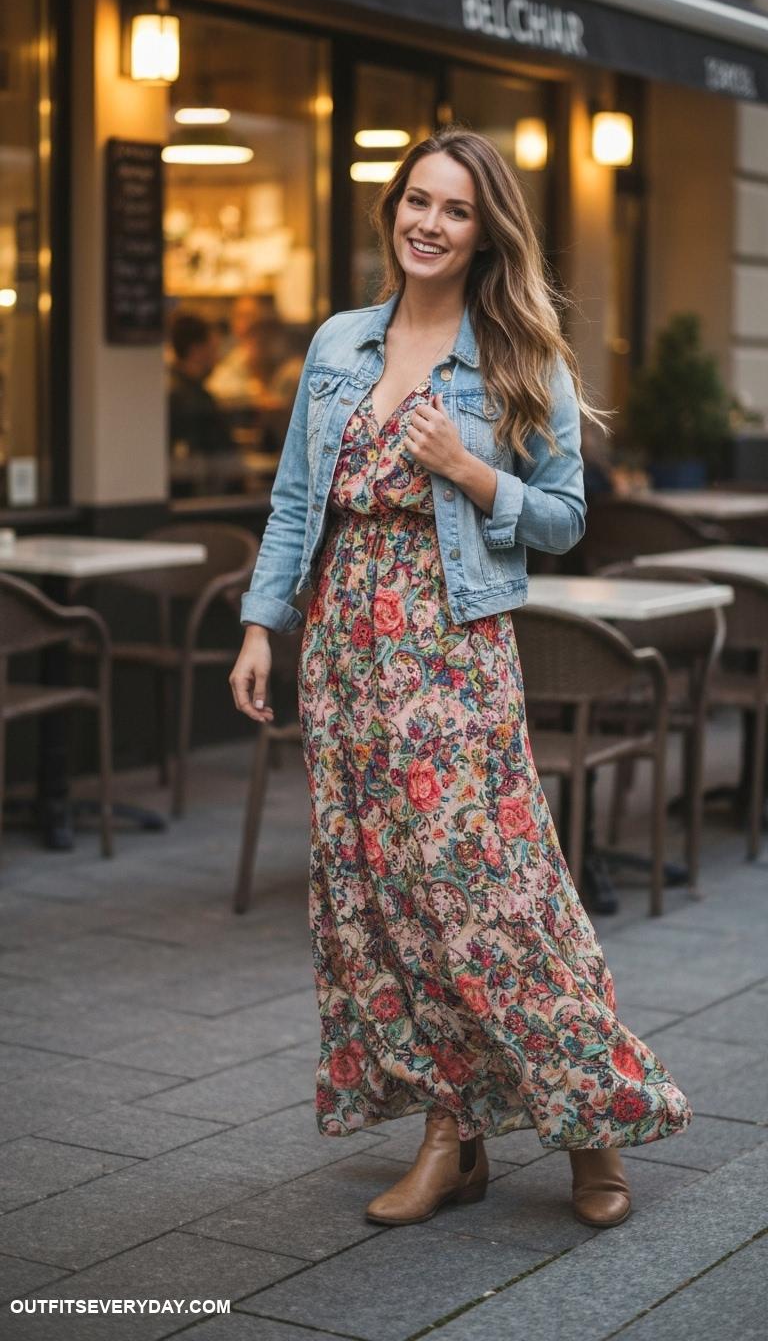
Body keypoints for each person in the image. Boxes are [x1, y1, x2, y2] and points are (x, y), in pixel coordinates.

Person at [229, 128, 692, 1231]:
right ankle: (454, 1133)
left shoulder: (521, 353)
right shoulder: (342, 343)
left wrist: (474, 472)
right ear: (393, 210)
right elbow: (299, 500)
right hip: (342, 647)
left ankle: (591, 1121)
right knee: (387, 902)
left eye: (456, 209)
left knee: (494, 894)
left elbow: (571, 520)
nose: (429, 223)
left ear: (488, 231)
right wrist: (261, 624)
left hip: (450, 648)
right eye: (416, 201)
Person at [166, 312, 238, 492]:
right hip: (199, 493)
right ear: (196, 351)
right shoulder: (194, 399)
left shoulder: (171, 389)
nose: (217, 358)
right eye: (213, 350)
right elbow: (220, 454)